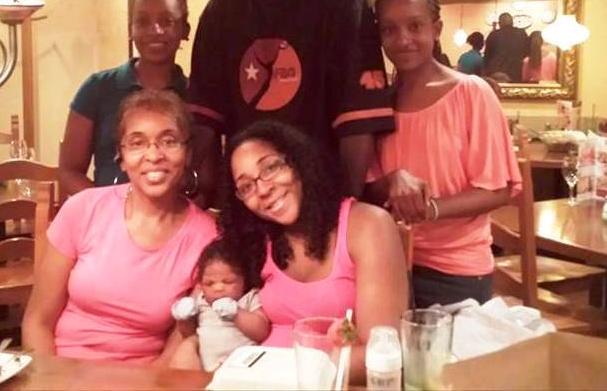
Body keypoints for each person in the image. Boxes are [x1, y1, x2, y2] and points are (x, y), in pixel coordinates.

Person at [187, 0, 394, 204]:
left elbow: (357, 115)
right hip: (249, 196)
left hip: (321, 192)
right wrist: (195, 193)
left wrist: (346, 207)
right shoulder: (224, 6)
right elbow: (204, 117)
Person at [23, 90, 217, 363]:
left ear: (188, 154)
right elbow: (37, 321)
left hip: (144, 378)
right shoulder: (83, 209)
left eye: (169, 141)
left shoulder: (206, 237)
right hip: (62, 371)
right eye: (137, 143)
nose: (154, 155)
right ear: (121, 157)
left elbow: (179, 345)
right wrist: (51, 379)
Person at [365, 0, 521, 308]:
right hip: (388, 260)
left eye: (415, 26)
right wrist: (391, 181)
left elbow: (499, 189)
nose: (403, 39)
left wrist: (429, 208)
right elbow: (368, 187)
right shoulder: (377, 102)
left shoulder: (472, 93)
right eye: (389, 29)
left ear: (436, 29)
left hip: (454, 270)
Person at [218, 120, 408, 384]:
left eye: (271, 168)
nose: (263, 189)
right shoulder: (260, 240)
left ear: (299, 161)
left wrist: (280, 372)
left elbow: (380, 353)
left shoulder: (367, 225)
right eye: (247, 186)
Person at [60, 0, 190, 194]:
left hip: (175, 211)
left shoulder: (196, 95)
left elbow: (206, 180)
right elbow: (69, 171)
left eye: (166, 21)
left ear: (184, 29)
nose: (155, 30)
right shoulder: (98, 88)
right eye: (143, 21)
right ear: (131, 29)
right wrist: (106, 207)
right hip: (107, 212)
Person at [170, 238, 270, 371]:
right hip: (206, 369)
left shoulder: (249, 298)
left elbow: (262, 332)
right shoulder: (202, 301)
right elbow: (188, 334)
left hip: (241, 367)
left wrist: (236, 313)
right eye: (209, 283)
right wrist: (184, 317)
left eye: (228, 281)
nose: (218, 288)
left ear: (244, 280)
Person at [483, 12, 529, 82]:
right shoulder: (522, 33)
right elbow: (526, 53)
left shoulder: (493, 35)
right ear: (512, 22)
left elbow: (487, 56)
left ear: (500, 23)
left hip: (496, 72)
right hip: (516, 73)